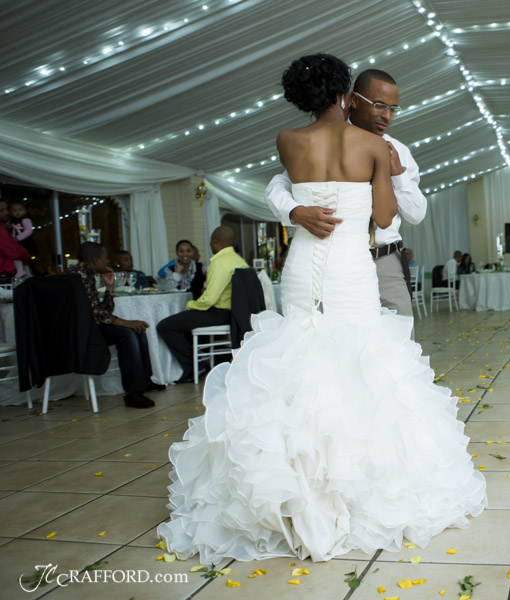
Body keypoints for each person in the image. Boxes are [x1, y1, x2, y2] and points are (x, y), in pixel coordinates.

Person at [157, 53, 486, 565]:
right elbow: (384, 217)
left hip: (301, 269)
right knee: (359, 360)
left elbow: (281, 185)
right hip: (352, 268)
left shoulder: (287, 141)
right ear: (346, 96)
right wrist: (380, 176)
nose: (386, 113)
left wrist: (299, 210)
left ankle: (293, 486)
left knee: (300, 356)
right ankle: (356, 480)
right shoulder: (373, 147)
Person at [266, 68, 427, 320]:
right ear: (353, 100)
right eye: (379, 106)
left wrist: (397, 173)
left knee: (398, 336)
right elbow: (279, 186)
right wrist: (295, 211)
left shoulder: (399, 151)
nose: (387, 116)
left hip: (384, 261)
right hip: (332, 265)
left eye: (393, 109)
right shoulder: (316, 141)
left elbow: (416, 214)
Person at [66, 242, 165, 408]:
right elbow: (97, 314)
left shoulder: (84, 273)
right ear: (95, 260)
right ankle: (134, 394)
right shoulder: (80, 276)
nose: (107, 262)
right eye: (105, 258)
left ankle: (144, 381)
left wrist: (109, 288)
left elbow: (102, 311)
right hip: (80, 332)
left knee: (136, 330)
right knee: (127, 333)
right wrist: (127, 323)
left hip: (87, 327)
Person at [157, 227, 249, 383]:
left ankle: (195, 366)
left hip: (220, 312)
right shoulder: (239, 260)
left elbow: (209, 300)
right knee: (183, 321)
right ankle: (197, 363)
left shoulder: (219, 262)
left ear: (215, 242)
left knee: (165, 326)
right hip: (235, 313)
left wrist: (190, 305)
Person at [0, 200, 31, 278]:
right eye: (1, 210)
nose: (6, 212)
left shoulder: (10, 223)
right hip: (5, 270)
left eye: (7, 209)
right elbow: (12, 250)